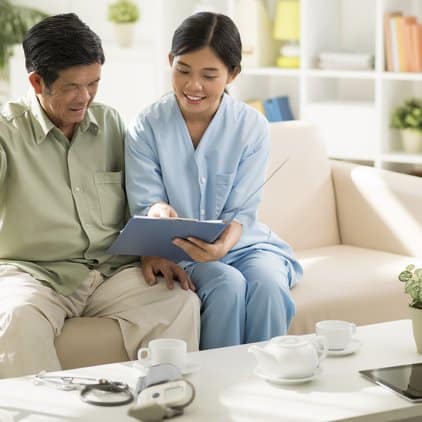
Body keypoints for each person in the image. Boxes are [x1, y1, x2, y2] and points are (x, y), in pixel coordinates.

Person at [0, 13, 200, 378]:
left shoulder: (110, 124)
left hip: (108, 271)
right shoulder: (6, 132)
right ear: (36, 81)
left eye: (94, 83)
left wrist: (151, 245)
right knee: (17, 318)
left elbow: (137, 198)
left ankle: (166, 401)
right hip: (35, 273)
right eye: (73, 87)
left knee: (179, 302)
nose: (86, 97)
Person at [125, 12, 303, 350]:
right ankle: (217, 388)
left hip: (244, 243)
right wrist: (159, 211)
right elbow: (146, 200)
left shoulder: (252, 126)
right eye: (183, 71)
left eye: (209, 75)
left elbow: (242, 212)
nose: (193, 86)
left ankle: (268, 388)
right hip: (181, 250)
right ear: (169, 62)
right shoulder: (145, 126)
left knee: (268, 285)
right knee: (227, 285)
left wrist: (222, 247)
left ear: (232, 74)